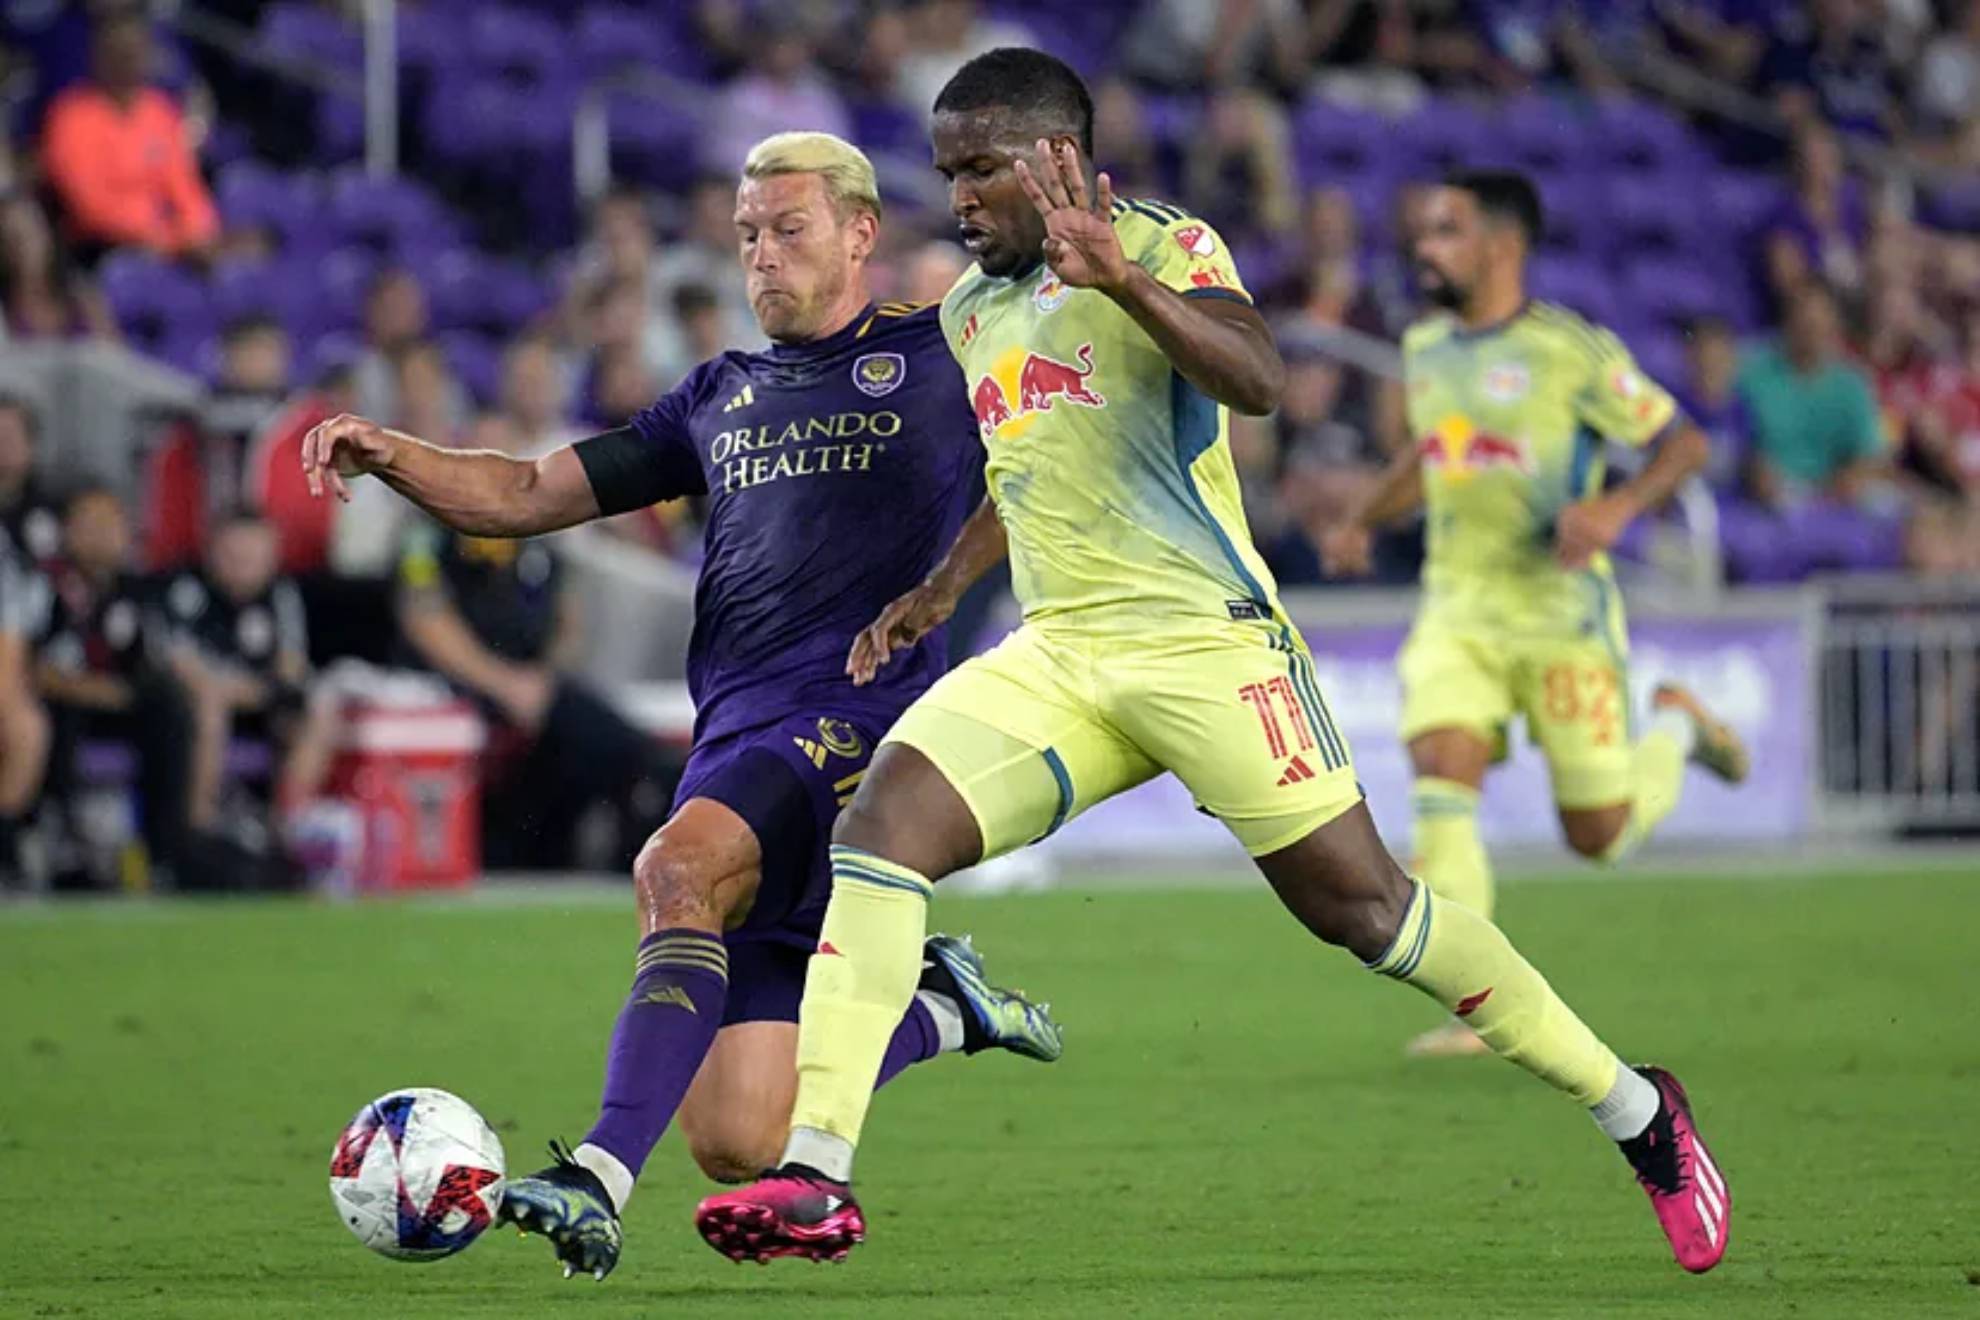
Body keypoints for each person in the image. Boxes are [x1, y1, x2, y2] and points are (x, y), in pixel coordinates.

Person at [696, 50, 1732, 1277]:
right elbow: (1022, 467)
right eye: (947, 172)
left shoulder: (1167, 246)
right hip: (1063, 653)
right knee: (881, 832)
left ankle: (1636, 1110)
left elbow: (1261, 379)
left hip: (1206, 647)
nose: (960, 197)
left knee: (1367, 911)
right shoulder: (973, 312)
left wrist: (1124, 281)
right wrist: (939, 590)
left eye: (980, 169)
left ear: (1053, 160)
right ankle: (819, 1172)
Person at [299, 131, 1061, 1281]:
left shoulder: (941, 350)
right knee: (738, 1136)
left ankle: (594, 1177)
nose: (762, 254)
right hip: (736, 736)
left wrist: (946, 587)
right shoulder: (716, 397)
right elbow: (520, 493)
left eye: (788, 228)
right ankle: (945, 1008)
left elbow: (1046, 463)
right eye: (748, 233)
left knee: (675, 872)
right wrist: (392, 452)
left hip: (857, 726)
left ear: (860, 234)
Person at [1319, 170, 1748, 1061]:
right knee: (1441, 765)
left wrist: (1615, 511)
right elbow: (1433, 454)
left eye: (1445, 232)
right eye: (1424, 231)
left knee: (1599, 835)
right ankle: (1476, 1009)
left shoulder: (1569, 352)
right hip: (1459, 608)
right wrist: (1363, 518)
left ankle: (1673, 728)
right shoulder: (1427, 345)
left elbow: (1684, 442)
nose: (1424, 249)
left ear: (1501, 246)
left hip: (1561, 619)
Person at [30, 486, 197, 881]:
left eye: (111, 524)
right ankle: (59, 845)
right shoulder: (45, 586)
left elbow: (153, 660)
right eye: (90, 524)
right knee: (55, 718)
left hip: (120, 706)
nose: (102, 534)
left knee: (171, 706)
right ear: (66, 532)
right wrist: (100, 692)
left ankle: (164, 850)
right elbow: (36, 670)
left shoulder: (138, 590)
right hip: (62, 705)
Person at [155, 510, 311, 836]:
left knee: (314, 709)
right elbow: (180, 664)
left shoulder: (281, 594)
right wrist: (228, 690)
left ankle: (289, 828)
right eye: (235, 557)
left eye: (254, 558)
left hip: (259, 698)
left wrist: (266, 690)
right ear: (213, 553)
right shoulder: (188, 589)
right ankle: (201, 829)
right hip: (196, 704)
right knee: (211, 707)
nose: (244, 567)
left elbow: (290, 666)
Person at [38, 8, 218, 263]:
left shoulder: (160, 110)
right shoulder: (70, 117)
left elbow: (185, 186)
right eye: (119, 52)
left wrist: (198, 232)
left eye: (136, 50)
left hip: (171, 244)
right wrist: (164, 238)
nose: (129, 59)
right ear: (99, 58)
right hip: (103, 250)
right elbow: (90, 206)